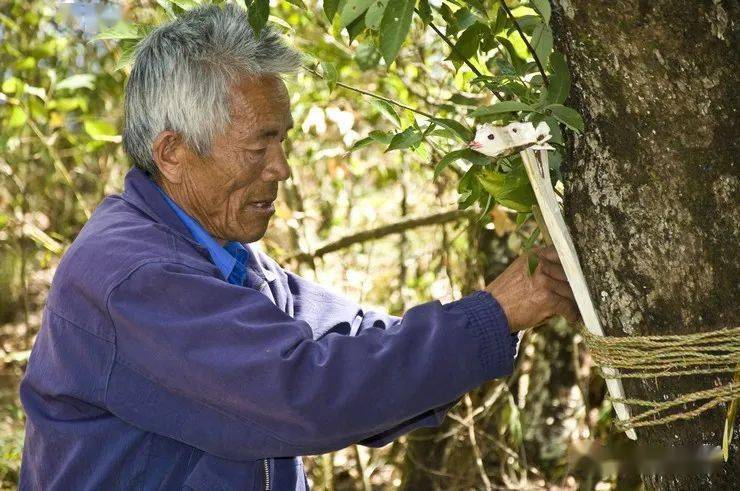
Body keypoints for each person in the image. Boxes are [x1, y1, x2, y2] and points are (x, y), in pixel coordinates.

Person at [18, 4, 578, 490]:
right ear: (172, 152)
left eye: (282, 141)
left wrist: (496, 320)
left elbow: (353, 340)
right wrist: (491, 316)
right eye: (259, 146)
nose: (281, 169)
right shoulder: (135, 277)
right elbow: (305, 392)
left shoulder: (215, 253)